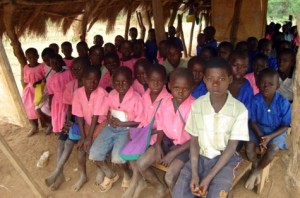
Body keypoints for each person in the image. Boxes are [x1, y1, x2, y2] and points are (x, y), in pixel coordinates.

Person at [172, 57, 249, 198]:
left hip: (225, 159)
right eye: (210, 79)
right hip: (200, 157)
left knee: (216, 193)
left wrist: (208, 178)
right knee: (180, 193)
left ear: (230, 80)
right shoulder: (197, 105)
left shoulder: (240, 110)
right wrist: (195, 173)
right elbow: (194, 142)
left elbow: (231, 147)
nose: (215, 84)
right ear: (204, 80)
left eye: (221, 79)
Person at [137, 68, 195, 197]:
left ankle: (177, 194)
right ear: (169, 86)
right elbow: (161, 125)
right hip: (166, 141)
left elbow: (196, 139)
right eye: (176, 88)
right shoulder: (165, 102)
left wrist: (173, 153)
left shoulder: (195, 107)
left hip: (186, 147)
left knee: (170, 176)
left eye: (185, 88)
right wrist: (157, 145)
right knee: (141, 164)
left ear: (192, 87)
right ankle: (160, 187)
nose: (180, 92)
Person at [89, 67, 143, 193]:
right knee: (94, 153)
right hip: (111, 128)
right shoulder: (111, 95)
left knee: (118, 158)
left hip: (127, 130)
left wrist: (124, 124)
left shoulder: (136, 98)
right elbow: (106, 111)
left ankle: (127, 174)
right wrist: (109, 118)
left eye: (124, 82)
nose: (120, 85)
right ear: (112, 82)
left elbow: (140, 121)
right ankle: (110, 175)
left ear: (131, 81)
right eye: (117, 82)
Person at [122, 64, 171, 198]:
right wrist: (135, 132)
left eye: (159, 81)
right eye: (152, 80)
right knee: (130, 151)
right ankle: (138, 182)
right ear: (146, 80)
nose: (155, 84)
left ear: (165, 81)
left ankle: (158, 186)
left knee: (142, 163)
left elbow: (164, 126)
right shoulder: (145, 96)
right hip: (146, 134)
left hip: (160, 139)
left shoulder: (167, 100)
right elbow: (141, 117)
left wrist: (157, 144)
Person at [44, 57, 88, 191]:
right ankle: (60, 174)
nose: (75, 71)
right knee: (61, 141)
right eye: (73, 69)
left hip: (86, 120)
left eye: (79, 68)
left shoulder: (91, 84)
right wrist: (68, 121)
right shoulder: (71, 85)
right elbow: (69, 106)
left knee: (69, 142)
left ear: (87, 68)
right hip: (74, 118)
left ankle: (58, 171)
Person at [245, 68, 291, 190]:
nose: (266, 87)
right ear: (258, 83)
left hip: (276, 132)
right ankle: (255, 165)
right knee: (249, 148)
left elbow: (285, 125)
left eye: (270, 84)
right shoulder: (254, 100)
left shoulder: (283, 102)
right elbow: (252, 121)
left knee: (273, 150)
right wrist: (260, 136)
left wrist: (269, 137)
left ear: (277, 86)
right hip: (257, 129)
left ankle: (256, 171)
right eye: (263, 83)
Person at [71, 66, 109, 191]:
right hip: (88, 124)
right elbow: (80, 117)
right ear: (83, 79)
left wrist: (88, 138)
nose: (92, 83)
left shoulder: (101, 93)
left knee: (92, 145)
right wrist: (83, 138)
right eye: (88, 80)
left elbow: (96, 117)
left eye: (95, 80)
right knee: (81, 149)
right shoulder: (78, 93)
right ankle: (83, 175)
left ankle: (100, 170)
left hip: (101, 123)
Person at [46, 54, 73, 134]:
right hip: (56, 101)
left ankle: (67, 131)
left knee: (65, 115)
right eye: (52, 64)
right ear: (50, 65)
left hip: (67, 99)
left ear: (61, 62)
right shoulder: (52, 78)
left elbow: (73, 85)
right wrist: (50, 104)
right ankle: (60, 130)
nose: (55, 65)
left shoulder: (68, 73)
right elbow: (51, 93)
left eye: (57, 63)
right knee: (58, 115)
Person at [22, 48, 45, 137]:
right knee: (30, 109)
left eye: (34, 57)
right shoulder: (26, 68)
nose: (32, 59)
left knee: (42, 107)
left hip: (41, 89)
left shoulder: (42, 66)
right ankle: (34, 127)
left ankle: (47, 124)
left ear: (38, 56)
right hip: (30, 91)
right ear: (26, 58)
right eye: (29, 57)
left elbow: (45, 77)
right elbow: (26, 80)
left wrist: (39, 82)